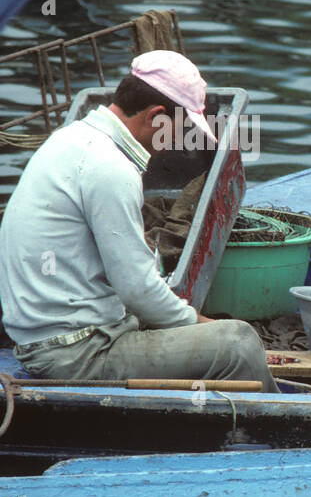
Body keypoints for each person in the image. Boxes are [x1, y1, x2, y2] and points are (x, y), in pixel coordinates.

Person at [0, 51, 279, 391]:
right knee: (238, 342)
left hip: (44, 340)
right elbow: (136, 289)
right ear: (157, 117)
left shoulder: (70, 139)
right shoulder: (111, 169)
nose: (177, 140)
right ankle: (281, 432)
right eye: (180, 127)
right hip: (77, 352)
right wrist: (201, 324)